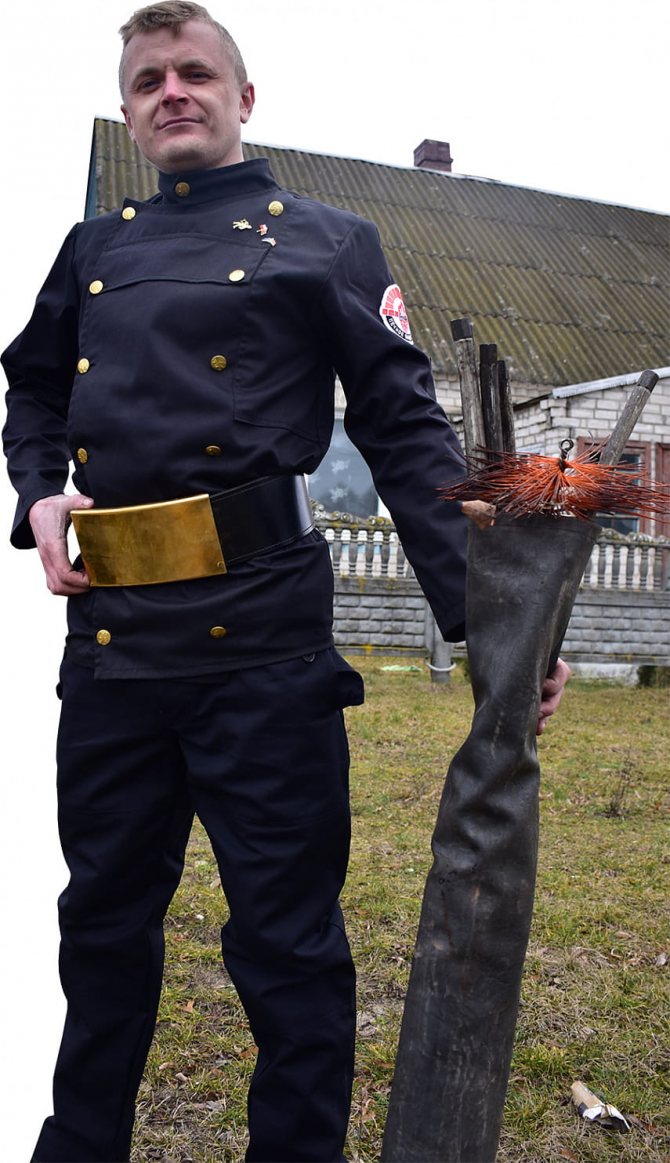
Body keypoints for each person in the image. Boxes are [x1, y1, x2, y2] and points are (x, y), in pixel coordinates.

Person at [2, 3, 569, 1160]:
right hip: (111, 647)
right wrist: (39, 490)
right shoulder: (92, 251)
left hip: (266, 649)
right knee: (100, 929)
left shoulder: (328, 240)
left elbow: (404, 432)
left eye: (194, 72)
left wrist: (490, 624)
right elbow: (35, 391)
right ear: (129, 109)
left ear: (243, 97)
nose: (172, 91)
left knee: (286, 943)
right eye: (148, 79)